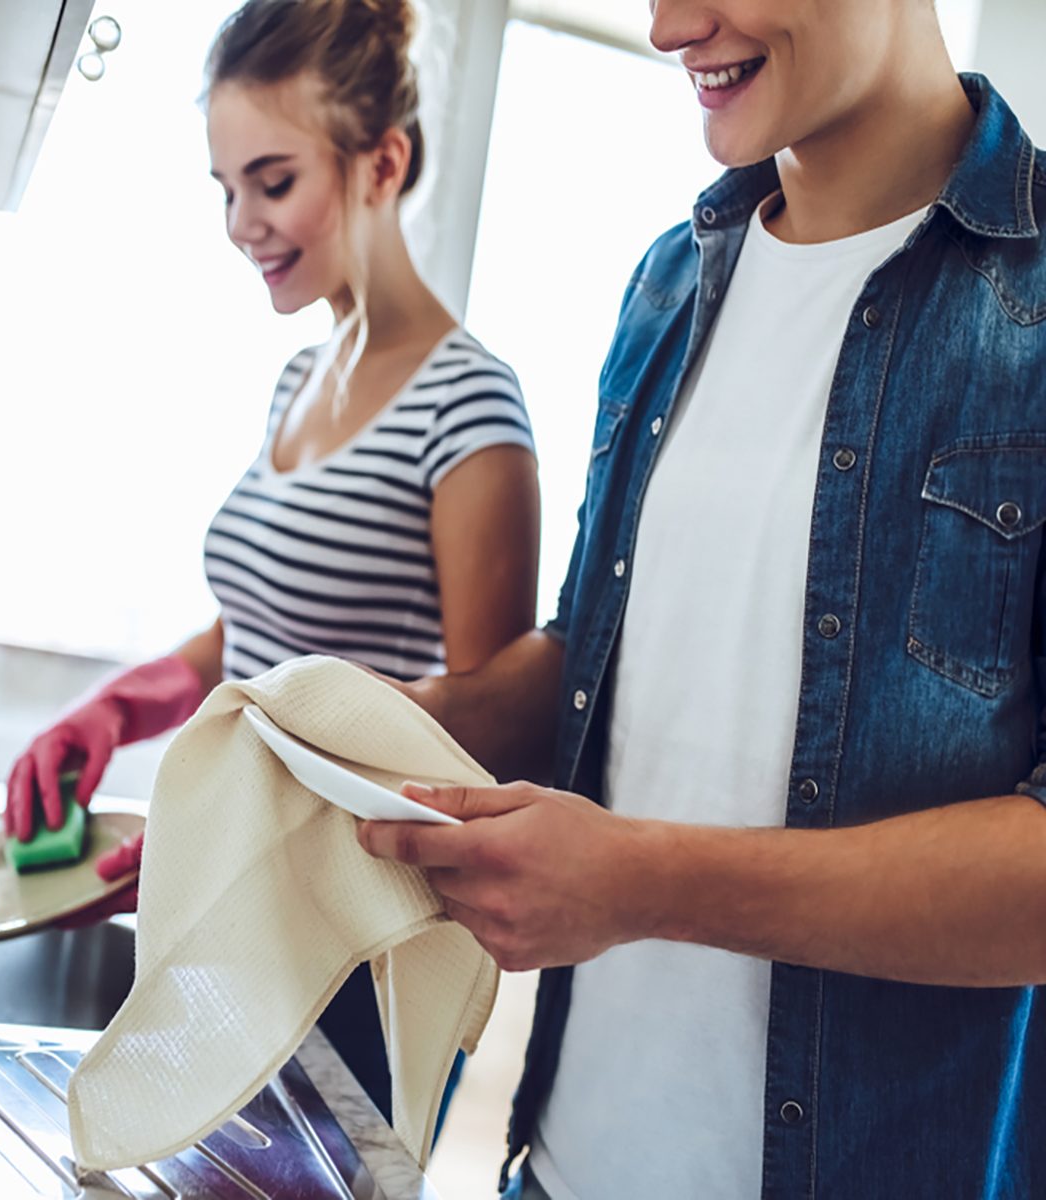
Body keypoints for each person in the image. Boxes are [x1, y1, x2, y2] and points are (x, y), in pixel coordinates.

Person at [356, 0, 1046, 1196]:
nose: (673, 26)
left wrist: (640, 883)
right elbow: (594, 659)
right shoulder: (669, 286)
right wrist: (362, 730)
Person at [4, 0, 540, 1128]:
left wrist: (233, 829)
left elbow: (470, 747)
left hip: (343, 959)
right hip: (245, 936)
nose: (242, 221)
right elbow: (248, 639)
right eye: (224, 187)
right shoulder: (300, 380)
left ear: (381, 162)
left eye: (273, 179)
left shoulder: (469, 408)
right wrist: (114, 712)